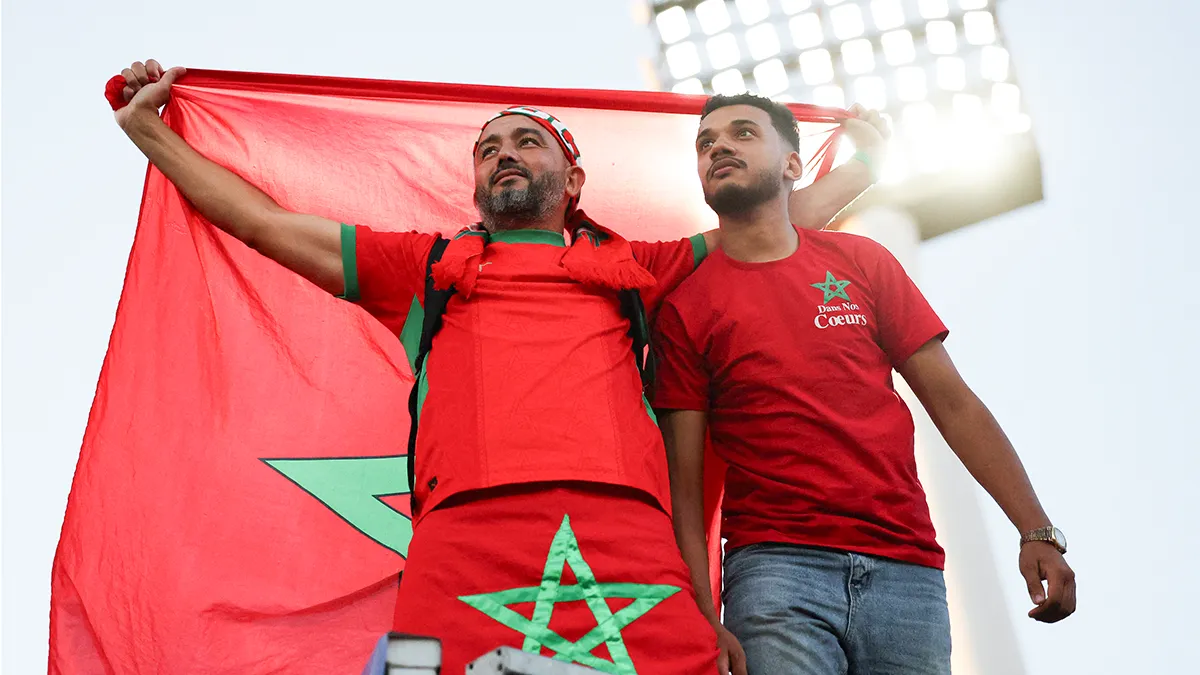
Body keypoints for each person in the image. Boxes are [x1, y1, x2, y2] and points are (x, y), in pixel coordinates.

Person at [109, 62, 880, 673]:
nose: (505, 153)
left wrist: (864, 167)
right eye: (489, 149)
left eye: (527, 142)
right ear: (477, 186)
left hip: (628, 537)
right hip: (463, 539)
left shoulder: (637, 270)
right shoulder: (424, 267)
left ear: (572, 183)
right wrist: (149, 133)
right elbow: (262, 221)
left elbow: (765, 228)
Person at [654, 92, 1078, 675]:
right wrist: (701, 611)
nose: (719, 147)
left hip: (908, 572)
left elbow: (954, 404)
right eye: (706, 143)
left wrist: (1036, 530)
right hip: (775, 573)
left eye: (743, 133)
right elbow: (684, 483)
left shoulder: (863, 261)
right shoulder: (684, 307)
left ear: (793, 164)